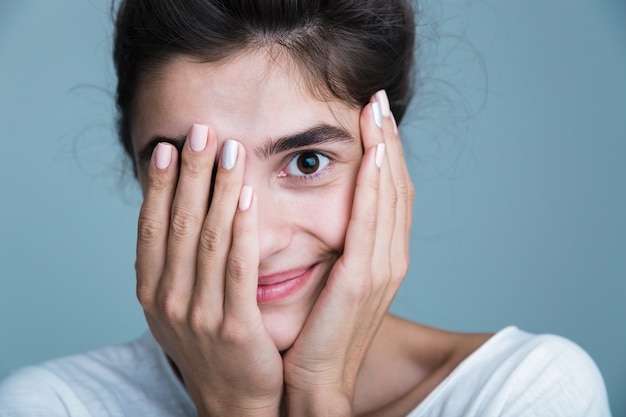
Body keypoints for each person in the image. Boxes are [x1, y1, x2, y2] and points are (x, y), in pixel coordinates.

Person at [0, 0, 612, 416]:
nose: (257, 240)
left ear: (387, 153)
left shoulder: (523, 391)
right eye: (199, 171)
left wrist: (319, 393)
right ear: (142, 173)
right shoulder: (56, 405)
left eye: (308, 162)